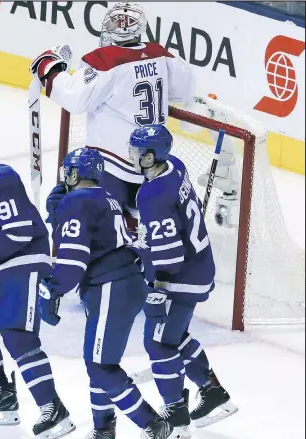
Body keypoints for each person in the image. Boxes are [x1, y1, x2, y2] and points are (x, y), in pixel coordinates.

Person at [39, 147, 182, 439]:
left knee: (100, 365)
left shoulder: (76, 201)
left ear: (75, 174)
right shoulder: (108, 198)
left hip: (110, 286)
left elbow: (74, 257)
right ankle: (103, 429)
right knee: (101, 361)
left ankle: (153, 425)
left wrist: (52, 290)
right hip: (126, 283)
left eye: (68, 172)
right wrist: (59, 217)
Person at [0, 126, 75, 439]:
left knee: (16, 334)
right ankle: (3, 397)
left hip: (24, 259)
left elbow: (19, 231)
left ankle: (53, 408)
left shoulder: (1, 177)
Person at [30, 2, 195, 233]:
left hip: (113, 165)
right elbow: (185, 88)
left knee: (106, 227)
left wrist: (47, 68)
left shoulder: (105, 60)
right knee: (144, 225)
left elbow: (75, 97)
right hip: (151, 162)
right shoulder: (160, 54)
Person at [127, 124, 238, 436]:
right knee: (173, 337)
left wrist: (158, 292)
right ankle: (212, 392)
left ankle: (176, 419)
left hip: (180, 278)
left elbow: (169, 255)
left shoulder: (152, 195)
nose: (132, 155)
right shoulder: (175, 165)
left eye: (137, 152)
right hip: (199, 266)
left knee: (157, 342)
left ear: (150, 157)